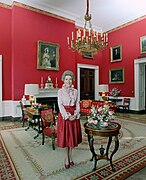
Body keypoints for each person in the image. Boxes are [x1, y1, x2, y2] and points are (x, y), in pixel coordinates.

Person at [57, 70, 82, 169]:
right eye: (66, 79)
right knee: (65, 138)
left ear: (73, 80)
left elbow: (77, 104)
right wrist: (67, 116)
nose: (68, 81)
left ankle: (70, 156)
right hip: (64, 116)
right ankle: (66, 157)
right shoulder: (60, 91)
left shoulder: (75, 91)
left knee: (73, 138)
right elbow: (60, 104)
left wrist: (76, 114)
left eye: (70, 79)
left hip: (74, 115)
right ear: (63, 80)